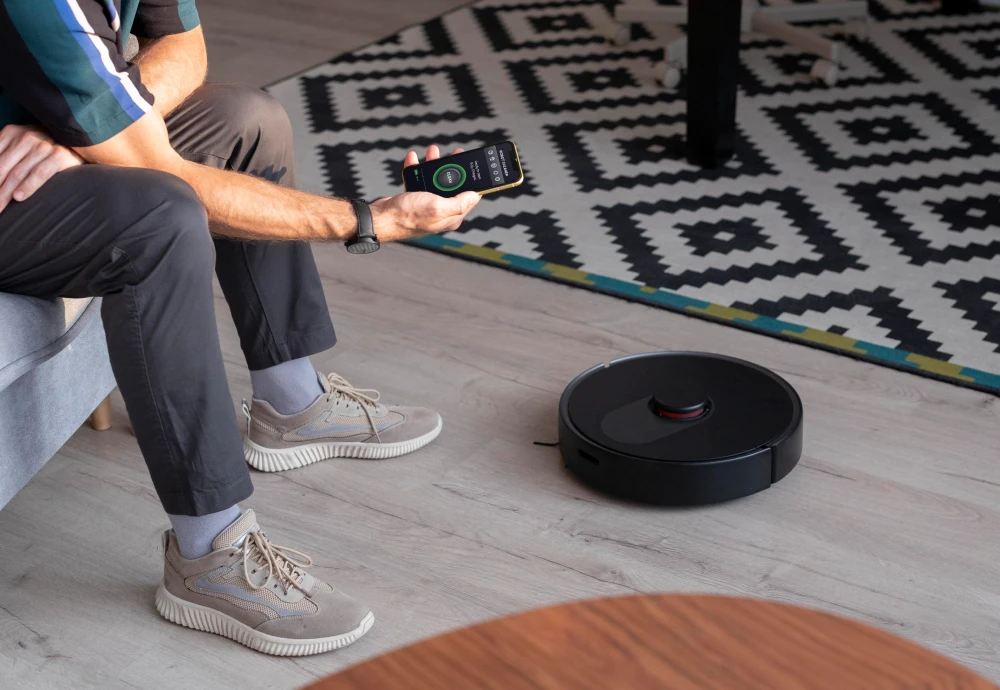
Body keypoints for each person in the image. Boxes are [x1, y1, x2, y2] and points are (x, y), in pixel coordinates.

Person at [0, 0, 481, 656]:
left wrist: (84, 129)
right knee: (158, 219)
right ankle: (207, 553)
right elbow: (168, 175)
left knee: (247, 118)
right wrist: (368, 220)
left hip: (34, 146)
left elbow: (184, 47)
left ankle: (292, 405)